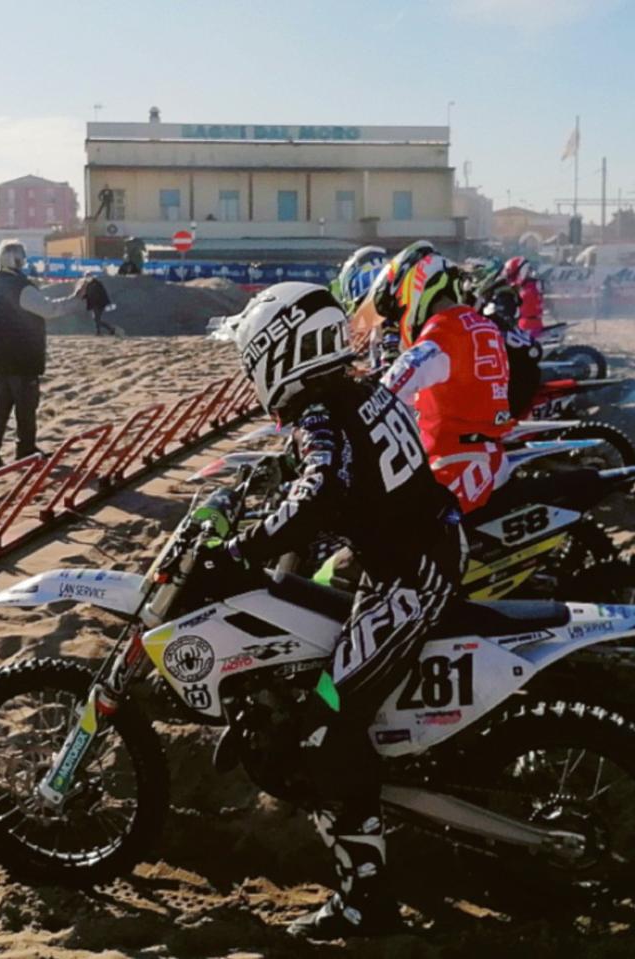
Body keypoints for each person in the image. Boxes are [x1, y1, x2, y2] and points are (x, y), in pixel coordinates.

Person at [211, 281, 463, 940]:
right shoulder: (358, 389)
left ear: (278, 354)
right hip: (420, 544)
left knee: (326, 722)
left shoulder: (321, 411)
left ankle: (366, 899)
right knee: (319, 654)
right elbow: (337, 473)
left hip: (409, 578)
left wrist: (247, 543)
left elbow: (322, 491)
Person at [370, 241, 513, 515]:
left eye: (396, 310)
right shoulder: (477, 322)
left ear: (413, 287)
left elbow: (388, 389)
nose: (398, 319)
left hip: (459, 464)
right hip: (484, 455)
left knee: (399, 536)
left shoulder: (442, 336)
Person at [0, 239, 84, 468]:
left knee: (0, 406)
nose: (25, 262)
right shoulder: (20, 287)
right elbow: (49, 309)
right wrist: (77, 299)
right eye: (22, 257)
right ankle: (26, 449)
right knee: (25, 407)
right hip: (22, 355)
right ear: (16, 259)